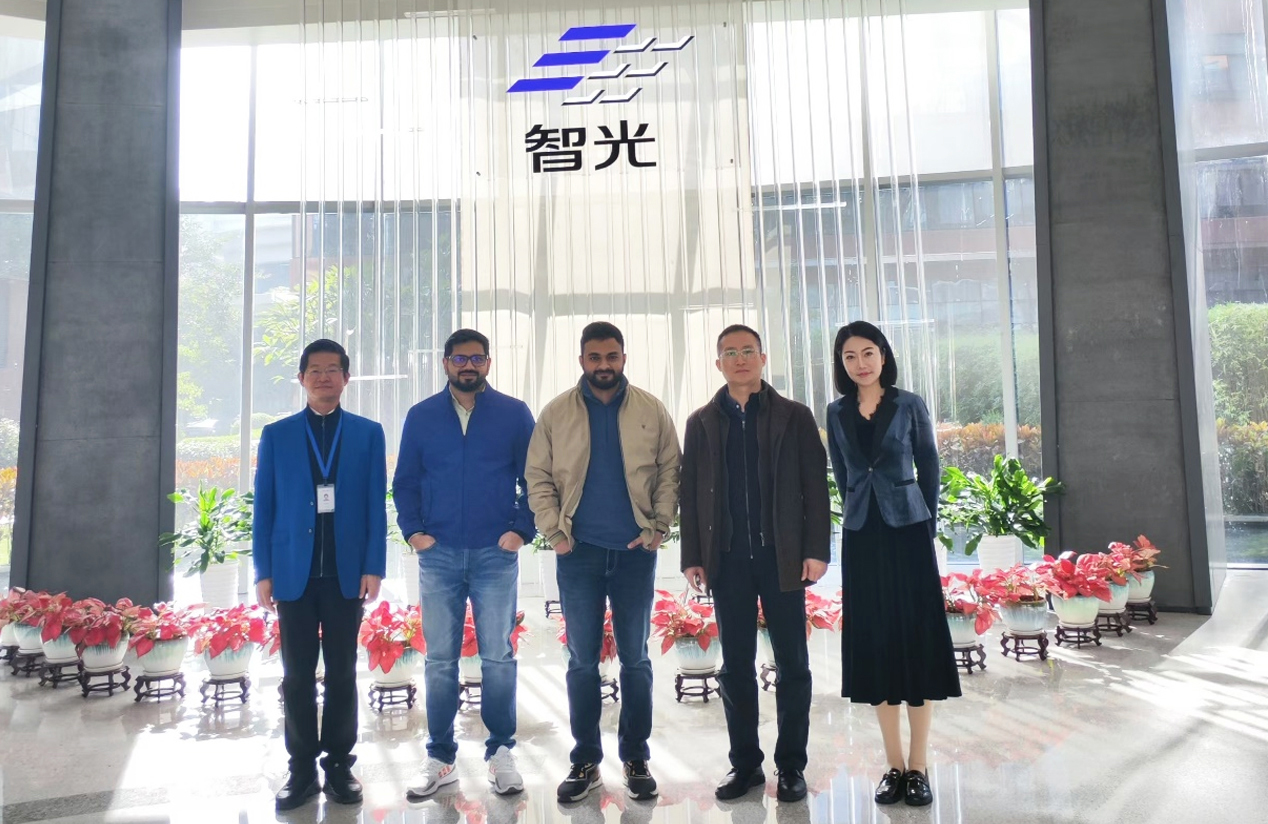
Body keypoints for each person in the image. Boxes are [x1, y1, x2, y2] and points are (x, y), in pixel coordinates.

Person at [526, 321, 681, 804]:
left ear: (624, 358)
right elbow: (538, 475)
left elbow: (670, 471)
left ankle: (636, 758)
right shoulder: (557, 413)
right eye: (594, 357)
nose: (604, 365)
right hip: (579, 554)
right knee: (581, 661)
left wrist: (658, 527)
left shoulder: (651, 409)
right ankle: (585, 759)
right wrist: (555, 533)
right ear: (582, 361)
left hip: (635, 553)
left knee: (635, 659)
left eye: (612, 356)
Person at [679, 324, 830, 804]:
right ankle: (745, 765)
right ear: (718, 363)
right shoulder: (702, 421)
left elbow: (815, 486)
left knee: (793, 664)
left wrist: (816, 549)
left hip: (782, 558)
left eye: (748, 351)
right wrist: (693, 556)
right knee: (736, 666)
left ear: (763, 359)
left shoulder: (794, 416)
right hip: (727, 559)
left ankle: (791, 766)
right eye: (730, 352)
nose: (740, 359)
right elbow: (690, 493)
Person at [393, 329, 536, 799]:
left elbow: (535, 478)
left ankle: (501, 753)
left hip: (496, 552)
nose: (468, 366)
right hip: (439, 554)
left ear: (488, 364)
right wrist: (415, 532)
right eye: (459, 359)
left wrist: (522, 530)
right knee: (439, 659)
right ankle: (440, 757)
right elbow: (405, 481)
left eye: (476, 358)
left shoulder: (514, 414)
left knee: (498, 656)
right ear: (445, 363)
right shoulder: (421, 416)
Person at [825, 321, 961, 808]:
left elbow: (930, 465)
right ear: (841, 364)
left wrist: (926, 523)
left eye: (868, 353)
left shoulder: (909, 404)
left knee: (915, 640)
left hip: (908, 533)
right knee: (876, 643)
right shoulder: (835, 412)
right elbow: (844, 472)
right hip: (862, 536)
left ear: (883, 355)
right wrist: (857, 513)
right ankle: (894, 765)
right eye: (849, 356)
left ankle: (919, 765)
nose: (860, 363)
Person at [253, 338, 387, 812]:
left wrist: (374, 566)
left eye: (333, 369)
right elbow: (264, 507)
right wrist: (263, 571)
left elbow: (375, 505)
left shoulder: (369, 434)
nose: (324, 377)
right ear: (302, 378)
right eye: (315, 370)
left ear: (346, 378)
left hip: (347, 575)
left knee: (343, 672)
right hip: (294, 573)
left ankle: (339, 766)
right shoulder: (278, 435)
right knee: (296, 674)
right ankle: (301, 769)